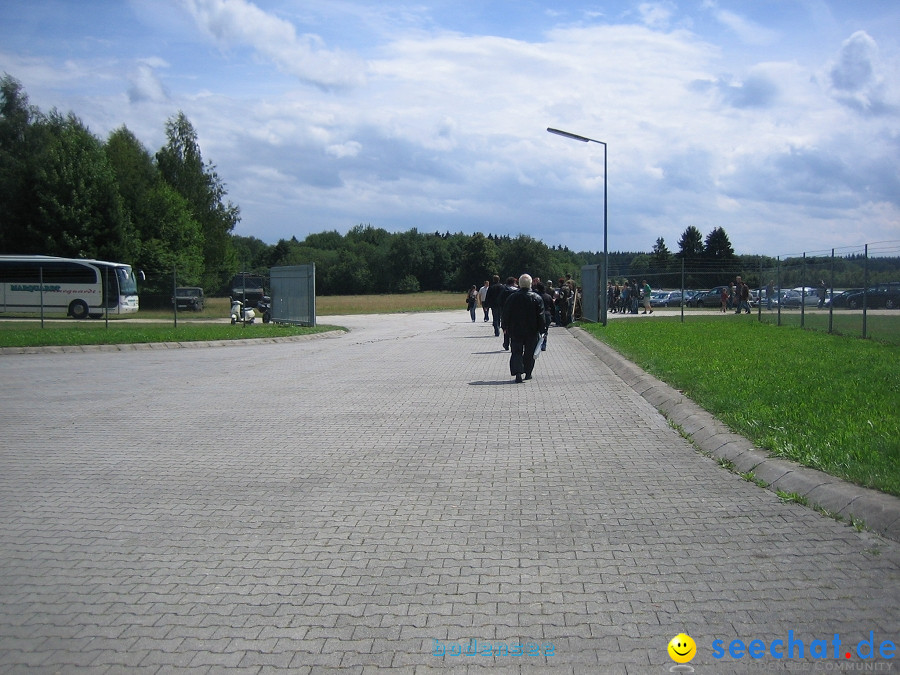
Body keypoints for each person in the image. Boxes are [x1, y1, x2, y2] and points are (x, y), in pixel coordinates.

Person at [501, 274, 546, 383]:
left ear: (520, 284)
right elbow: (541, 315)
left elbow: (506, 313)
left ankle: (517, 373)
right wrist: (542, 329)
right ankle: (528, 372)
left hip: (515, 329)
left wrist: (504, 326)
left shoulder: (512, 297)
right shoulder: (537, 298)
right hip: (532, 330)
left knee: (516, 351)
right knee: (530, 352)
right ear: (530, 284)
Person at [535, 282, 554, 351]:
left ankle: (537, 344)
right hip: (547, 315)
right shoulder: (548, 296)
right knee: (545, 331)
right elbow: (552, 307)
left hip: (537, 315)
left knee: (536, 330)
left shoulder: (536, 296)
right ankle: (543, 344)